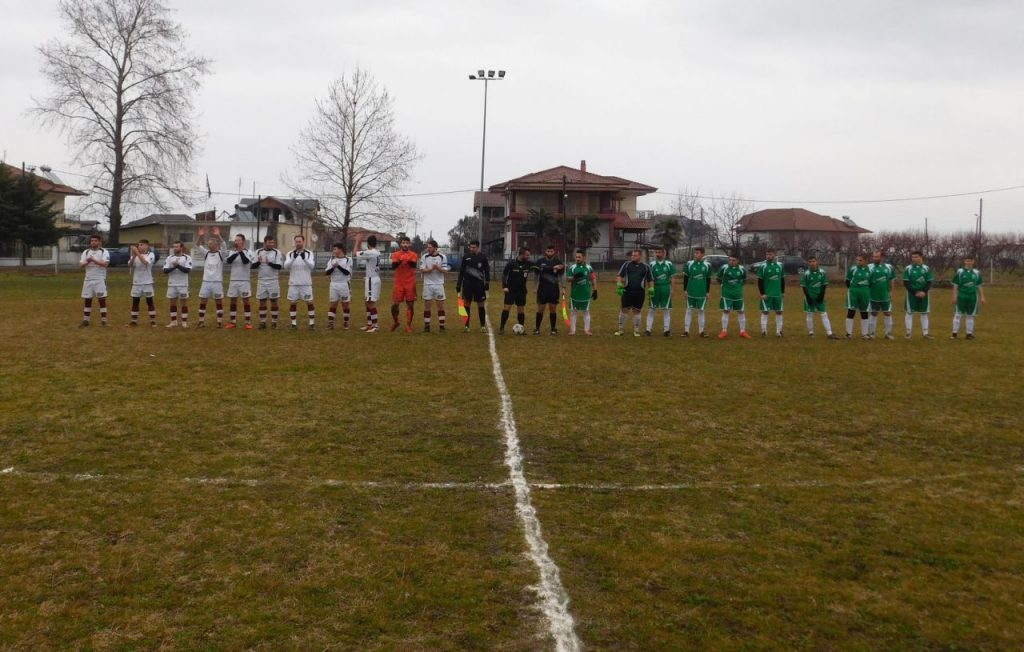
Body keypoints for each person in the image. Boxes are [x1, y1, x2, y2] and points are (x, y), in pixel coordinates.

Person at [193, 226, 227, 328]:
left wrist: (218, 235)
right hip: (206, 282)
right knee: (203, 301)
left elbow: (224, 245)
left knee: (218, 301)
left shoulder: (221, 254)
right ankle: (201, 321)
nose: (208, 244)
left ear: (216, 244)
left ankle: (219, 322)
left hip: (217, 282)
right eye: (208, 243)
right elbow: (197, 245)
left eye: (211, 243)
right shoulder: (206, 253)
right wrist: (200, 236)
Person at [615, 249, 654, 337]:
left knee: (637, 311)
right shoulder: (626, 264)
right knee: (624, 309)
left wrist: (651, 289)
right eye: (632, 255)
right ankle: (620, 329)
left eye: (635, 255)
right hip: (627, 291)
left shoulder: (646, 267)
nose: (632, 256)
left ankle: (636, 330)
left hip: (640, 293)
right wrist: (619, 285)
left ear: (640, 256)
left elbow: (650, 279)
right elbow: (620, 275)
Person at [800, 256, 838, 339]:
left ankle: (829, 333)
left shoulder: (822, 272)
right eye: (810, 262)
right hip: (810, 296)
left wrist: (821, 296)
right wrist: (808, 297)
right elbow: (804, 286)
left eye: (813, 261)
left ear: (817, 262)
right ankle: (811, 333)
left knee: (824, 313)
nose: (812, 263)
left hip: (819, 296)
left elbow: (824, 285)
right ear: (808, 263)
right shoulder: (806, 273)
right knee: (810, 314)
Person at [251, 235, 284, 329]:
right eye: (269, 242)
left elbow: (279, 266)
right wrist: (259, 262)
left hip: (273, 281)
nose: (271, 244)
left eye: (272, 242)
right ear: (265, 242)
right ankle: (263, 323)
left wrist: (269, 263)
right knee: (262, 302)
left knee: (274, 301)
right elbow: (253, 266)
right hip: (261, 280)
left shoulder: (277, 252)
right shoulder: (258, 252)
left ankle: (274, 322)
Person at [457, 240, 490, 332]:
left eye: (474, 247)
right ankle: (466, 326)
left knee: (480, 304)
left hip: (479, 284)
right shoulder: (466, 257)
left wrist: (487, 282)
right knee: (466, 304)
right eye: (470, 247)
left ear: (478, 247)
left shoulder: (483, 257)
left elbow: (487, 270)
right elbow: (462, 271)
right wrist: (459, 283)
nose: (472, 249)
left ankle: (483, 326)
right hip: (467, 283)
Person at [284, 234, 316, 330]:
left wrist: (304, 258)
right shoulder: (290, 253)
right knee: (293, 303)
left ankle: (311, 323)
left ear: (303, 242)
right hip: (293, 283)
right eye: (296, 241)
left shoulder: (309, 253)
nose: (298, 243)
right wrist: (293, 257)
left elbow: (312, 266)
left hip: (306, 283)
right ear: (294, 242)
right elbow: (286, 266)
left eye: (300, 241)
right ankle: (293, 324)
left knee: (309, 302)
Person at [532, 244, 564, 335]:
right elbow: (536, 275)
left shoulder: (558, 262)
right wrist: (535, 287)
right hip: (542, 289)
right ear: (545, 252)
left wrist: (563, 287)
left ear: (554, 252)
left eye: (551, 251)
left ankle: (553, 329)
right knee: (541, 308)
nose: (549, 253)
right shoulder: (540, 261)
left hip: (554, 289)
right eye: (548, 251)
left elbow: (562, 276)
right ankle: (537, 328)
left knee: (553, 309)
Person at [78, 234, 110, 327]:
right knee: (87, 300)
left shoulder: (104, 252)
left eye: (95, 241)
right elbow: (81, 265)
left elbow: (105, 264)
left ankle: (104, 321)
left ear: (100, 242)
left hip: (99, 279)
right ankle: (85, 320)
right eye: (92, 241)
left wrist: (93, 260)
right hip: (88, 279)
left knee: (101, 300)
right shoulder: (86, 252)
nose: (93, 242)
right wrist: (88, 261)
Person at [717, 253, 751, 339]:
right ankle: (724, 331)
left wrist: (739, 287)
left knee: (741, 312)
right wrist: (723, 285)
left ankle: (742, 331)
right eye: (730, 260)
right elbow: (718, 278)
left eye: (733, 260)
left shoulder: (742, 269)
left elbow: (744, 279)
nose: (731, 262)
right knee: (726, 311)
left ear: (738, 261)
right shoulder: (724, 268)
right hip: (727, 294)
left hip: (738, 294)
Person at [951, 255, 985, 340]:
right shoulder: (960, 271)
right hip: (962, 296)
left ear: (973, 262)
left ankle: (969, 334)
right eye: (967, 261)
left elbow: (979, 286)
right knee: (958, 314)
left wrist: (982, 297)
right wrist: (954, 296)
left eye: (970, 261)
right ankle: (954, 333)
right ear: (964, 262)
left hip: (972, 296)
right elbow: (955, 285)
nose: (969, 262)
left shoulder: (977, 272)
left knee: (970, 315)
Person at [389, 235, 419, 333]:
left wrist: (407, 259)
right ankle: (396, 322)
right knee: (394, 305)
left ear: (409, 244)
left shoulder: (413, 254)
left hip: (410, 283)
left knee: (410, 305)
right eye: (403, 243)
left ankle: (408, 325)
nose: (405, 244)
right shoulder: (395, 254)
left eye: (407, 243)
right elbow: (393, 266)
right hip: (399, 283)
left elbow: (414, 265)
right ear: (400, 244)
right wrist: (400, 260)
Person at [499, 246, 532, 334]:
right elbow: (504, 275)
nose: (528, 257)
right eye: (527, 255)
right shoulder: (511, 263)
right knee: (507, 308)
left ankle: (521, 329)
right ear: (521, 254)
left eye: (529, 255)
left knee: (521, 309)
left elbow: (540, 267)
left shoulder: (529, 264)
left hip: (522, 290)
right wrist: (504, 286)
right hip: (510, 290)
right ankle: (501, 328)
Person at [225, 234, 254, 330]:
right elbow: (229, 261)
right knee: (233, 300)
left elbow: (246, 261)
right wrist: (237, 252)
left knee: (246, 300)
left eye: (238, 240)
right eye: (236, 240)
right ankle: (232, 322)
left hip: (244, 280)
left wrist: (241, 252)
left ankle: (248, 322)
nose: (236, 242)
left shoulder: (249, 252)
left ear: (243, 241)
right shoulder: (232, 252)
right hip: (233, 280)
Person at [419, 239, 449, 333]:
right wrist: (431, 269)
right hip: (427, 284)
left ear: (435, 248)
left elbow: (445, 271)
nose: (428, 249)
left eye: (430, 247)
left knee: (440, 306)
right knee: (427, 306)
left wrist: (438, 268)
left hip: (439, 285)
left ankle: (442, 327)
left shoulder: (442, 257)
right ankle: (427, 327)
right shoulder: (424, 257)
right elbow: (422, 270)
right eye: (427, 247)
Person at [903, 250, 935, 339]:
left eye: (916, 257)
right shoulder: (908, 268)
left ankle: (925, 333)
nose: (914, 258)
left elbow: (929, 282)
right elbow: (906, 283)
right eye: (913, 257)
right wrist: (915, 292)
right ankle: (908, 333)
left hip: (924, 294)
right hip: (911, 294)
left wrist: (924, 292)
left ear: (921, 257)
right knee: (909, 313)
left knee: (924, 313)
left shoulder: (926, 268)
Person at [681, 247, 711, 338]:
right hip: (691, 291)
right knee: (689, 310)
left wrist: (707, 292)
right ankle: (686, 331)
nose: (696, 254)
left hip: (702, 292)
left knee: (701, 311)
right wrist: (685, 290)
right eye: (695, 253)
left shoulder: (707, 265)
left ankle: (701, 331)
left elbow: (708, 279)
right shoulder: (689, 264)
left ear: (702, 254)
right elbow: (685, 277)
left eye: (698, 253)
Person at [646, 246, 676, 336]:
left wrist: (673, 289)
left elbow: (673, 277)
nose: (657, 254)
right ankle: (648, 330)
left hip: (666, 288)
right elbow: (649, 278)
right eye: (656, 252)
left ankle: (666, 331)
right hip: (655, 288)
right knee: (652, 309)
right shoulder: (651, 264)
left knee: (666, 309)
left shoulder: (669, 264)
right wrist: (650, 288)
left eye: (659, 252)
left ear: (664, 253)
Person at [566, 249, 597, 336]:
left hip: (586, 294)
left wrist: (595, 290)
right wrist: (575, 277)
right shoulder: (572, 268)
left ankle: (587, 330)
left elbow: (593, 278)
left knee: (586, 312)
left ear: (584, 257)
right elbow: (568, 279)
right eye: (576, 257)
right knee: (573, 312)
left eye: (579, 257)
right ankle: (573, 330)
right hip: (575, 294)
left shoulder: (589, 268)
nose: (577, 258)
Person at [867, 250, 897, 340]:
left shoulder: (889, 267)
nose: (874, 258)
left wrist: (892, 292)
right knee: (873, 313)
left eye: (877, 256)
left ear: (882, 257)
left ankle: (888, 334)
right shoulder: (869, 267)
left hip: (885, 295)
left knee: (888, 313)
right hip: (873, 295)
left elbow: (892, 280)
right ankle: (872, 334)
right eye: (874, 256)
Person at [162, 241, 193, 328]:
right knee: (172, 303)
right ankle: (174, 321)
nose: (175, 248)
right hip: (172, 284)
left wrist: (178, 266)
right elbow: (165, 271)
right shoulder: (169, 258)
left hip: (183, 284)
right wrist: (175, 266)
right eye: (174, 247)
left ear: (181, 247)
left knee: (184, 303)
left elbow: (187, 270)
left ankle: (184, 322)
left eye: (177, 247)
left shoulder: (187, 258)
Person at [127, 239, 157, 327]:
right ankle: (133, 321)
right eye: (138, 245)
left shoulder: (150, 254)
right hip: (137, 282)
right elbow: (130, 265)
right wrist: (133, 256)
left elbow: (145, 262)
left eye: (141, 245)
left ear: (147, 246)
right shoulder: (135, 255)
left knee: (149, 301)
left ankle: (153, 321)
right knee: (135, 301)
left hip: (147, 282)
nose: (139, 246)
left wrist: (137, 253)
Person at [325, 242, 353, 331]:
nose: (334, 251)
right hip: (333, 284)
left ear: (340, 249)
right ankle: (330, 323)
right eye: (333, 249)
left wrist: (338, 266)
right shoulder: (332, 260)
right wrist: (333, 267)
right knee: (333, 304)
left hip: (344, 284)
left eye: (335, 249)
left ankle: (346, 322)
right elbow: (327, 273)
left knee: (345, 305)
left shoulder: (348, 259)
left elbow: (347, 272)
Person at [356, 235, 382, 333]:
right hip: (373, 278)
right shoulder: (376, 252)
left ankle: (375, 326)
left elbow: (355, 253)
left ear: (368, 243)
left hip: (372, 279)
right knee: (367, 301)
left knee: (370, 302)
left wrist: (357, 241)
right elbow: (361, 254)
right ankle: (370, 324)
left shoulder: (370, 253)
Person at [757, 249, 785, 337]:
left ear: (775, 255)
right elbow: (760, 281)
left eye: (770, 254)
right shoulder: (763, 266)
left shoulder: (780, 265)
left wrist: (783, 292)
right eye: (767, 254)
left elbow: (782, 279)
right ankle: (764, 331)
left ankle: (779, 331)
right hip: (767, 294)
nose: (768, 256)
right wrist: (762, 293)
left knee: (779, 312)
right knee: (765, 312)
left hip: (777, 294)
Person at [845, 254, 872, 339]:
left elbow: (871, 282)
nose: (858, 262)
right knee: (851, 311)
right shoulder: (853, 269)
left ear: (865, 261)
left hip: (865, 293)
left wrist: (865, 289)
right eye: (857, 260)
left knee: (864, 312)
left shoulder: (870, 270)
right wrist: (852, 289)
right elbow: (847, 281)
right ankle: (848, 334)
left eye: (860, 260)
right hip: (853, 293)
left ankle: (864, 334)